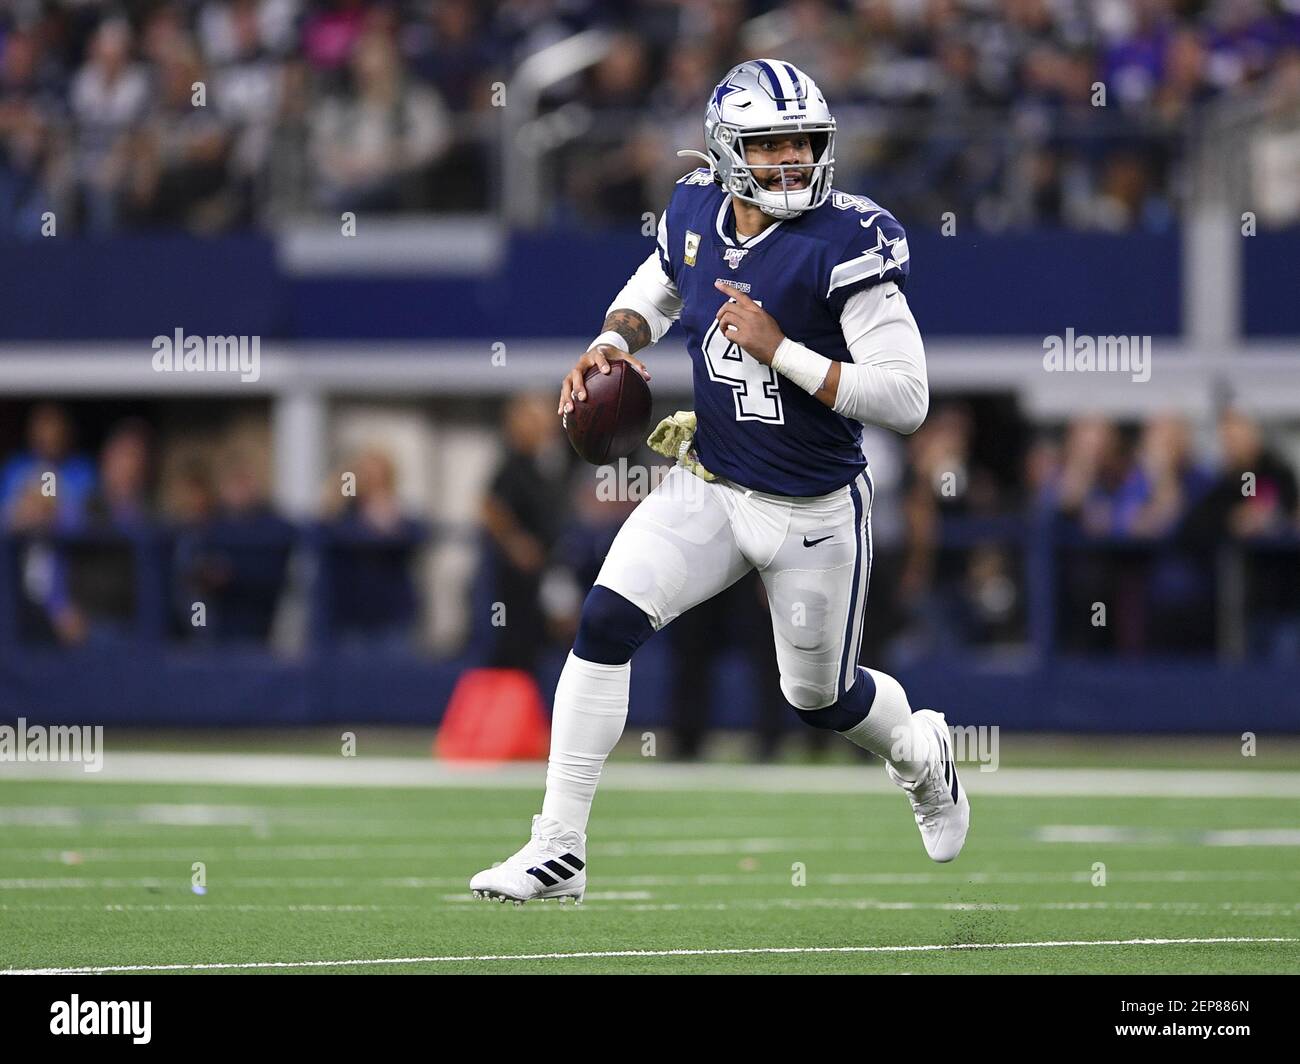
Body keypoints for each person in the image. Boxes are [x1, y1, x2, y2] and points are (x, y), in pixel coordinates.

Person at [470, 60, 968, 905]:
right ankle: (558, 849)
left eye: (804, 143)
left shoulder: (844, 240)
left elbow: (909, 398)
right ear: (727, 150)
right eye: (770, 146)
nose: (792, 162)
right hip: (713, 480)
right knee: (604, 618)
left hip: (812, 508)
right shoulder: (695, 205)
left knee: (820, 696)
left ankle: (923, 756)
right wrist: (614, 343)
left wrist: (782, 350)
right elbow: (662, 283)